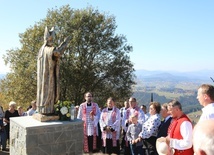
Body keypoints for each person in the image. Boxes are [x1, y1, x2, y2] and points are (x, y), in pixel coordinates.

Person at [37, 26, 71, 114]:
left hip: (43, 79)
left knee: (42, 94)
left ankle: (42, 108)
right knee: (48, 94)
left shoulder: (41, 50)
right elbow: (57, 52)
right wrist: (65, 43)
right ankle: (47, 110)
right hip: (47, 79)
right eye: (51, 39)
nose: (52, 41)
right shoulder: (48, 49)